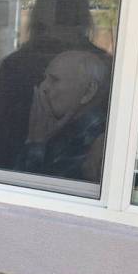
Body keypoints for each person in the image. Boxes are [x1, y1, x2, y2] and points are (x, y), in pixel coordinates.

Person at [0, 0, 110, 170]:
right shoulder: (105, 66)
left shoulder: (14, 66)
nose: (45, 89)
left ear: (40, 10)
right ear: (83, 9)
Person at [16, 49, 111, 182]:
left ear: (88, 91)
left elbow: (32, 189)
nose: (43, 87)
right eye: (45, 78)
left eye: (54, 80)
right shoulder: (63, 128)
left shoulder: (91, 142)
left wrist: (36, 142)